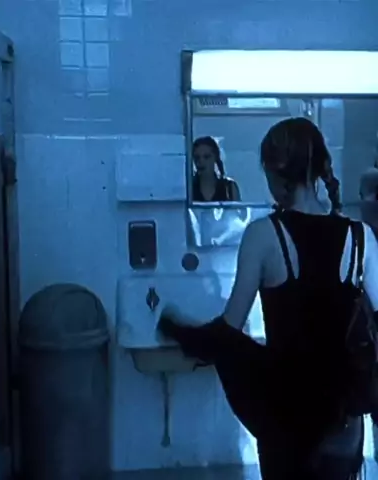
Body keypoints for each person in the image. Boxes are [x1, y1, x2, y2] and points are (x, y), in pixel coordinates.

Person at [159, 117, 378, 479]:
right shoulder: (361, 237)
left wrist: (178, 329)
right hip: (343, 420)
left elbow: (228, 333)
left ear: (276, 172)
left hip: (286, 415)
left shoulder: (263, 235)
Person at [192, 136, 241, 202]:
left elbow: (237, 208)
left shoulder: (229, 188)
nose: (201, 161)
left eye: (206, 157)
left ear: (215, 158)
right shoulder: (188, 188)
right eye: (197, 157)